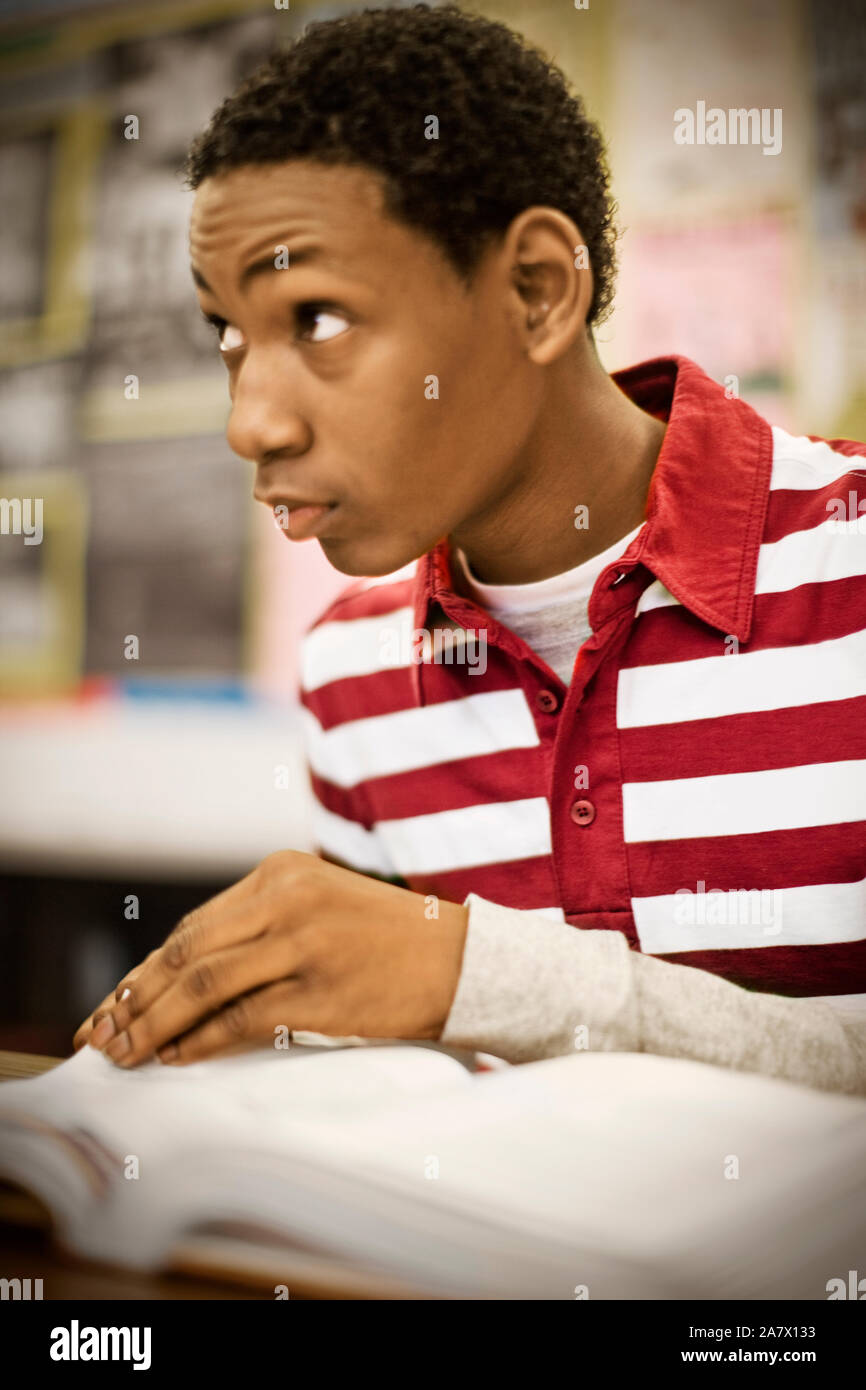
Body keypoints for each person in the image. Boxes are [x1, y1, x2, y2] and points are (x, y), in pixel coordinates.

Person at [74, 4, 866, 1094]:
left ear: (536, 289)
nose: (249, 422)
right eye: (228, 336)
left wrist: (479, 971)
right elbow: (416, 1102)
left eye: (315, 317)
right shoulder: (350, 676)